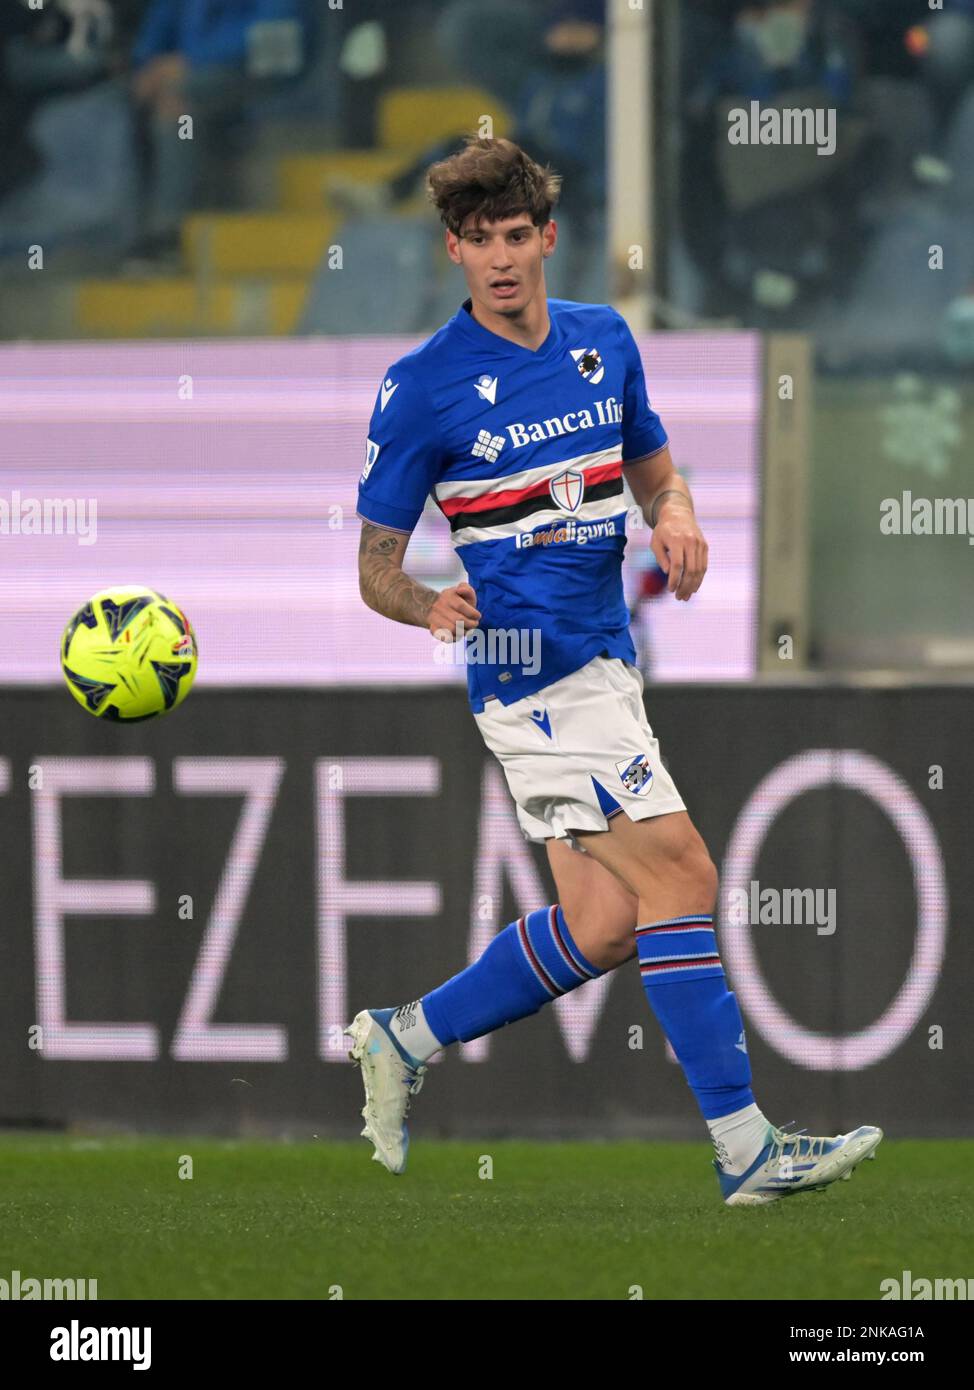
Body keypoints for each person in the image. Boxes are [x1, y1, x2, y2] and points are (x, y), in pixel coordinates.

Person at [347, 136, 882, 1205]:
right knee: (681, 877)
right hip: (528, 679)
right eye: (476, 242)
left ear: (547, 238)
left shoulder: (602, 342)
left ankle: (402, 1036)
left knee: (602, 924)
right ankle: (745, 1149)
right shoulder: (420, 390)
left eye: (514, 237)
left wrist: (675, 516)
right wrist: (424, 602)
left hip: (604, 664)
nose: (499, 260)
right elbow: (372, 568)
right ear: (451, 251)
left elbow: (653, 469)